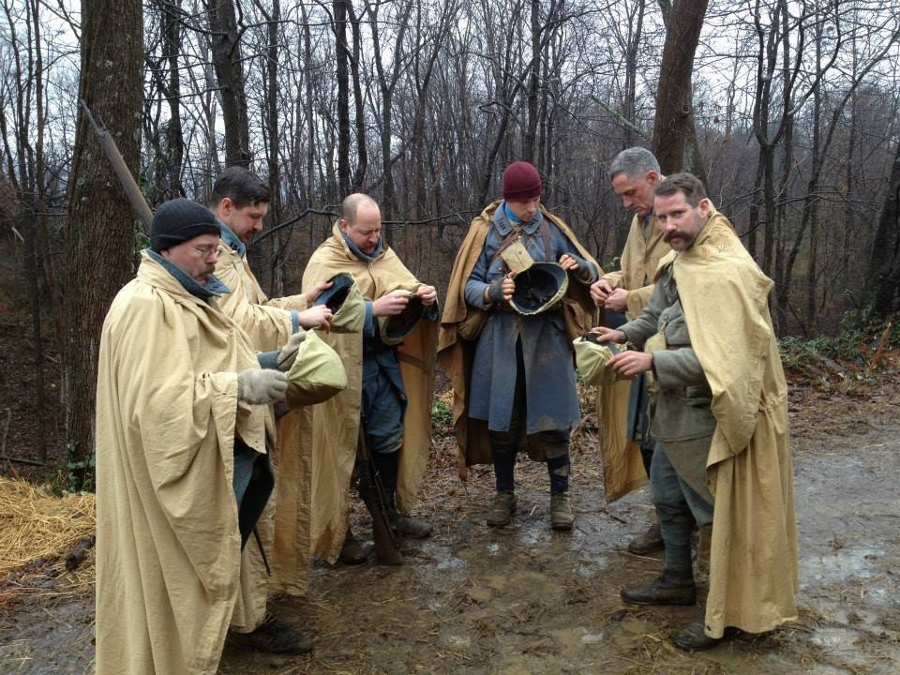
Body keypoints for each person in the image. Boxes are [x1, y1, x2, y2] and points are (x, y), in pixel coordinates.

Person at [95, 198, 309, 674]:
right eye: (205, 249)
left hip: (214, 455)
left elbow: (209, 364)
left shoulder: (192, 294)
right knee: (168, 582)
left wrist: (270, 363)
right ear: (168, 250)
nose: (215, 259)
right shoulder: (144, 307)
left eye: (215, 249)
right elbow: (153, 407)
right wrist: (239, 387)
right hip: (164, 476)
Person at [591, 174, 797, 650]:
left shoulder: (727, 271)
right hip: (672, 414)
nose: (668, 226)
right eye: (661, 217)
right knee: (667, 499)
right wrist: (623, 335)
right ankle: (676, 581)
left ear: (703, 206)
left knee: (716, 519)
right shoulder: (682, 260)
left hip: (710, 419)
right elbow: (653, 314)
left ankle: (724, 615)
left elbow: (726, 364)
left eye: (677, 214)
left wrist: (652, 362)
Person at [438, 161, 600, 530]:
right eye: (525, 201)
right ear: (508, 199)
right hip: (500, 340)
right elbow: (466, 287)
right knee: (502, 422)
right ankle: (504, 495)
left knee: (555, 420)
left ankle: (561, 499)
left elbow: (593, 272)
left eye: (536, 198)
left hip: (547, 340)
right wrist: (494, 291)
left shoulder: (551, 227)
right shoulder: (484, 233)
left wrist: (579, 267)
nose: (532, 207)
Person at [300, 193, 439, 565]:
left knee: (388, 439)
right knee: (341, 451)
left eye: (378, 230)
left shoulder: (383, 254)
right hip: (339, 371)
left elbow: (404, 283)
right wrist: (369, 310)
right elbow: (316, 312)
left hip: (381, 366)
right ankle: (338, 532)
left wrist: (422, 296)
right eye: (366, 232)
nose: (374, 239)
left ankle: (388, 513)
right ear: (344, 226)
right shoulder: (325, 261)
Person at [589, 147, 671, 554]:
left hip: (674, 352)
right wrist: (608, 280)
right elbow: (633, 269)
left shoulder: (680, 219)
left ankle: (684, 531)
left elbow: (686, 283)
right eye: (620, 195)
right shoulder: (640, 221)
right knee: (647, 440)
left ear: (654, 178)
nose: (626, 204)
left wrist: (630, 298)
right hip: (643, 347)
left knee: (671, 443)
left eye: (631, 192)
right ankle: (665, 523)